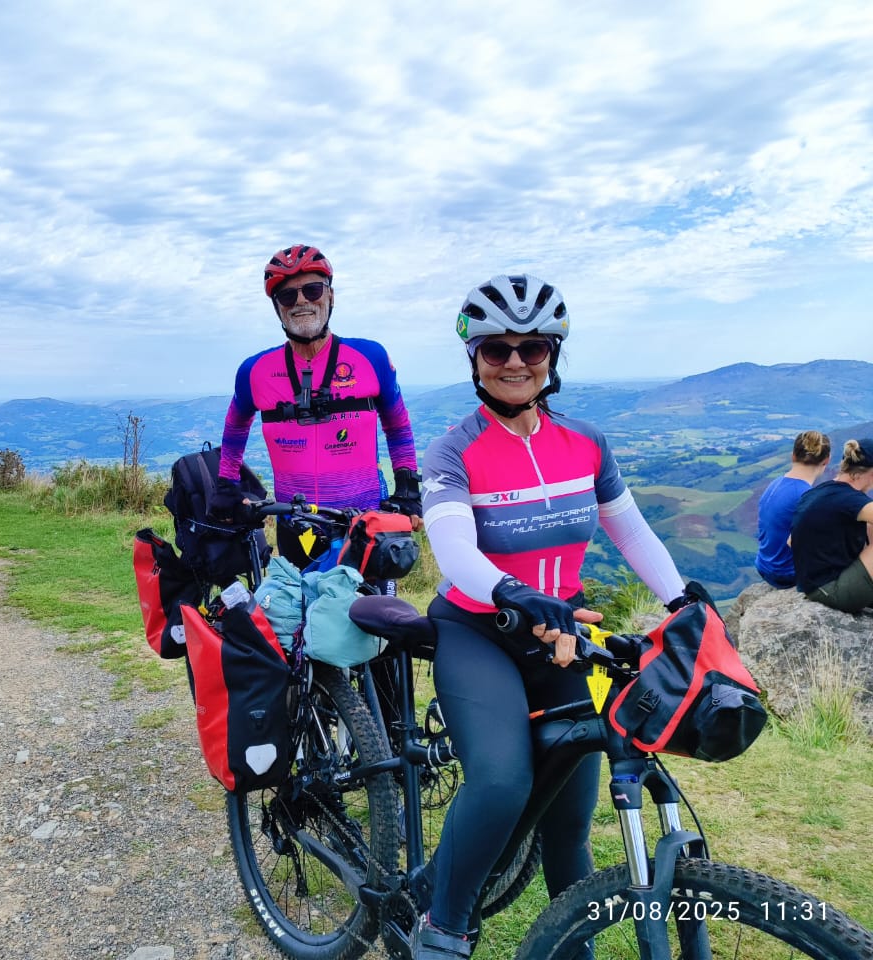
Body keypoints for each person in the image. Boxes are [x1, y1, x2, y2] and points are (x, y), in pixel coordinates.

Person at [416, 274, 691, 959]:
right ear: (474, 358)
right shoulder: (454, 450)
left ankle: (576, 951)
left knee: (570, 820)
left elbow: (630, 532)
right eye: (496, 349)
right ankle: (443, 927)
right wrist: (512, 591)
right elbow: (453, 550)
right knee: (504, 780)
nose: (514, 362)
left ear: (553, 357)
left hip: (561, 636)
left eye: (532, 348)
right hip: (476, 631)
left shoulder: (586, 442)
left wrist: (683, 601)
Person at [208, 244, 421, 566]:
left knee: (372, 614)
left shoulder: (370, 358)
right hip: (294, 524)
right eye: (288, 296)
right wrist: (227, 483)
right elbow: (236, 425)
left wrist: (407, 486)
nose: (302, 302)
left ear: (331, 296)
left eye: (312, 289)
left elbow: (397, 424)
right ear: (277, 307)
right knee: (298, 613)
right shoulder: (255, 370)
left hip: (366, 525)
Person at [790, 437, 873, 614]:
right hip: (832, 591)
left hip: (816, 585)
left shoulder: (820, 492)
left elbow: (791, 541)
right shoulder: (850, 500)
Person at [755, 430, 832, 588]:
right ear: (826, 460)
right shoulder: (807, 496)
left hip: (764, 565)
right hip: (786, 574)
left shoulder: (775, 483)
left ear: (793, 456)